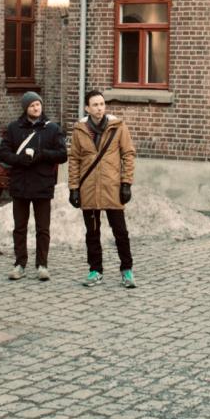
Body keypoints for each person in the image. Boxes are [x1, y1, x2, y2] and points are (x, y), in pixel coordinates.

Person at [67, 90, 137, 288]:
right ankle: (95, 270)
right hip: (89, 188)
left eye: (102, 104)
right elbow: (74, 160)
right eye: (95, 105)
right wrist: (73, 188)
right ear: (87, 108)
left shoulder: (118, 127)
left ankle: (127, 270)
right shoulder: (80, 130)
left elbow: (128, 155)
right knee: (92, 232)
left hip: (112, 186)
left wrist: (126, 183)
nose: (99, 108)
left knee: (120, 232)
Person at [0, 91, 67, 281]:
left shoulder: (52, 129)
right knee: (19, 228)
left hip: (42, 184)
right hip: (20, 184)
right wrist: (18, 159)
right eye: (32, 106)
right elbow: (3, 153)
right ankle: (20, 263)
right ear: (26, 108)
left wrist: (42, 154)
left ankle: (42, 265)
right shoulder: (14, 128)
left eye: (38, 105)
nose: (36, 108)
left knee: (42, 228)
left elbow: (62, 154)